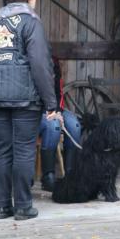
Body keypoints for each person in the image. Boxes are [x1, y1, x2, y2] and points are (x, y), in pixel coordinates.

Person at [0, 0, 59, 220]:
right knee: (24, 150)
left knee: (2, 149)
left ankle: (2, 206)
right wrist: (51, 102)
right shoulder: (30, 22)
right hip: (25, 98)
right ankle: (23, 206)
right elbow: (40, 65)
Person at [38, 57, 82, 191]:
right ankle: (48, 176)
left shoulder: (54, 62)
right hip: (37, 110)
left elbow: (59, 93)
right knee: (54, 126)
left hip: (55, 108)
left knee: (74, 125)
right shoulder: (33, 63)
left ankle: (70, 173)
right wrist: (50, 112)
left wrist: (57, 111)